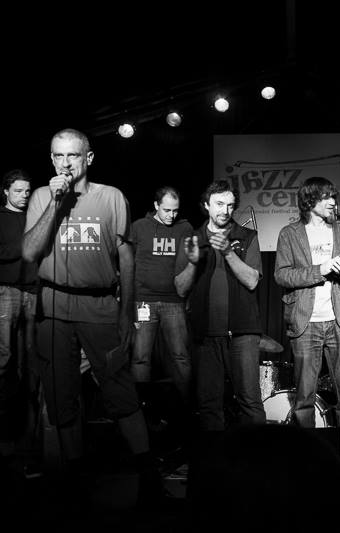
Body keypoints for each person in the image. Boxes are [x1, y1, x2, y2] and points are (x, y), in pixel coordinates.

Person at [22, 128, 162, 506]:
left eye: (72, 155)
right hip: (53, 307)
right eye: (58, 155)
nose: (65, 163)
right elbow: (30, 252)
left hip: (100, 306)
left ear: (89, 158)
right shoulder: (41, 196)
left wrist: (127, 312)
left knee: (120, 389)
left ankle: (148, 474)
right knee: (62, 395)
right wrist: (55, 203)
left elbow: (126, 258)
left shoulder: (111, 196)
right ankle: (75, 480)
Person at [274, 176, 340, 479]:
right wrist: (320, 270)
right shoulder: (290, 234)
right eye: (326, 197)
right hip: (305, 323)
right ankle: (308, 459)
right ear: (310, 201)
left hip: (339, 321)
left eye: (334, 197)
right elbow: (282, 275)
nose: (333, 202)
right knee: (304, 398)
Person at [174, 180, 265, 434]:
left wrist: (228, 252)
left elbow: (252, 281)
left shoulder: (247, 237)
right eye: (219, 204)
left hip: (242, 333)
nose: (225, 211)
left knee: (250, 402)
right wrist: (193, 263)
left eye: (230, 205)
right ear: (206, 205)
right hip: (205, 335)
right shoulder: (193, 239)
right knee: (209, 405)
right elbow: (180, 289)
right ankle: (215, 456)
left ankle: (257, 456)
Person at [129, 186, 193, 443]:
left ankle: (184, 411)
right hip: (143, 301)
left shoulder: (184, 228)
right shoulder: (139, 227)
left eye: (175, 211)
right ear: (156, 206)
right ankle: (141, 412)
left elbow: (189, 266)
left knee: (180, 357)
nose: (171, 215)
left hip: (173, 301)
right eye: (166, 210)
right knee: (140, 358)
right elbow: (128, 262)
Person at [0, 169, 38, 478]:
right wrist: (26, 245)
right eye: (18, 191)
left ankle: (28, 442)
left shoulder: (34, 215)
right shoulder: (2, 218)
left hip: (33, 293)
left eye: (27, 191)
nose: (24, 196)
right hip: (6, 291)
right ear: (5, 191)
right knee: (4, 360)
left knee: (30, 365)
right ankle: (4, 436)